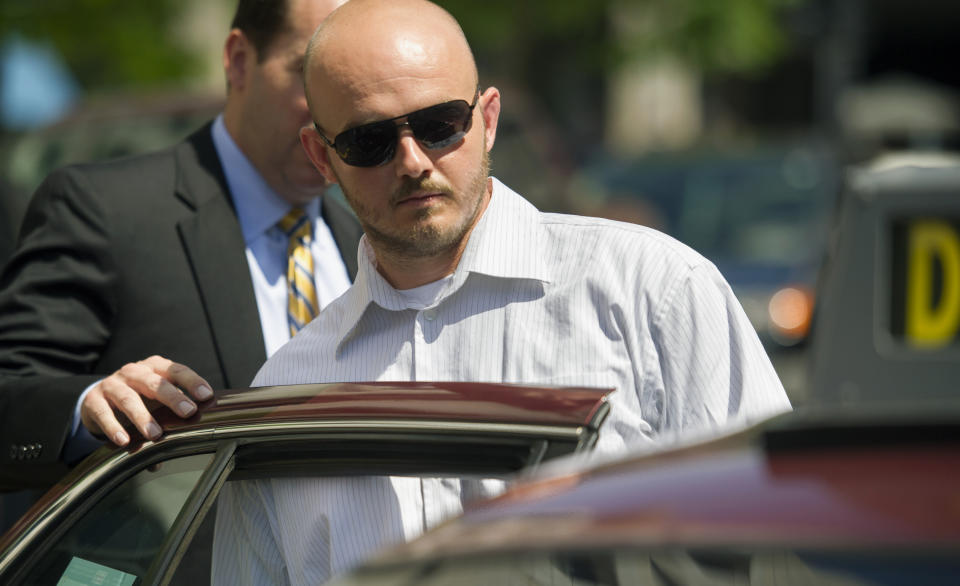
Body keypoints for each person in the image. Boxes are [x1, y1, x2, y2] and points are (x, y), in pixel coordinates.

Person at [210, 0, 792, 583]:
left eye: (439, 124)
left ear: (487, 119)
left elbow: (785, 537)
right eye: (369, 142)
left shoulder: (649, 292)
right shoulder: (287, 392)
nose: (412, 162)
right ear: (322, 157)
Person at [0, 0, 361, 492]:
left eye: (356, 80)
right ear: (238, 59)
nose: (337, 107)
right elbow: (12, 393)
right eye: (311, 72)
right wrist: (89, 405)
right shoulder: (104, 209)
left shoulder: (372, 245)